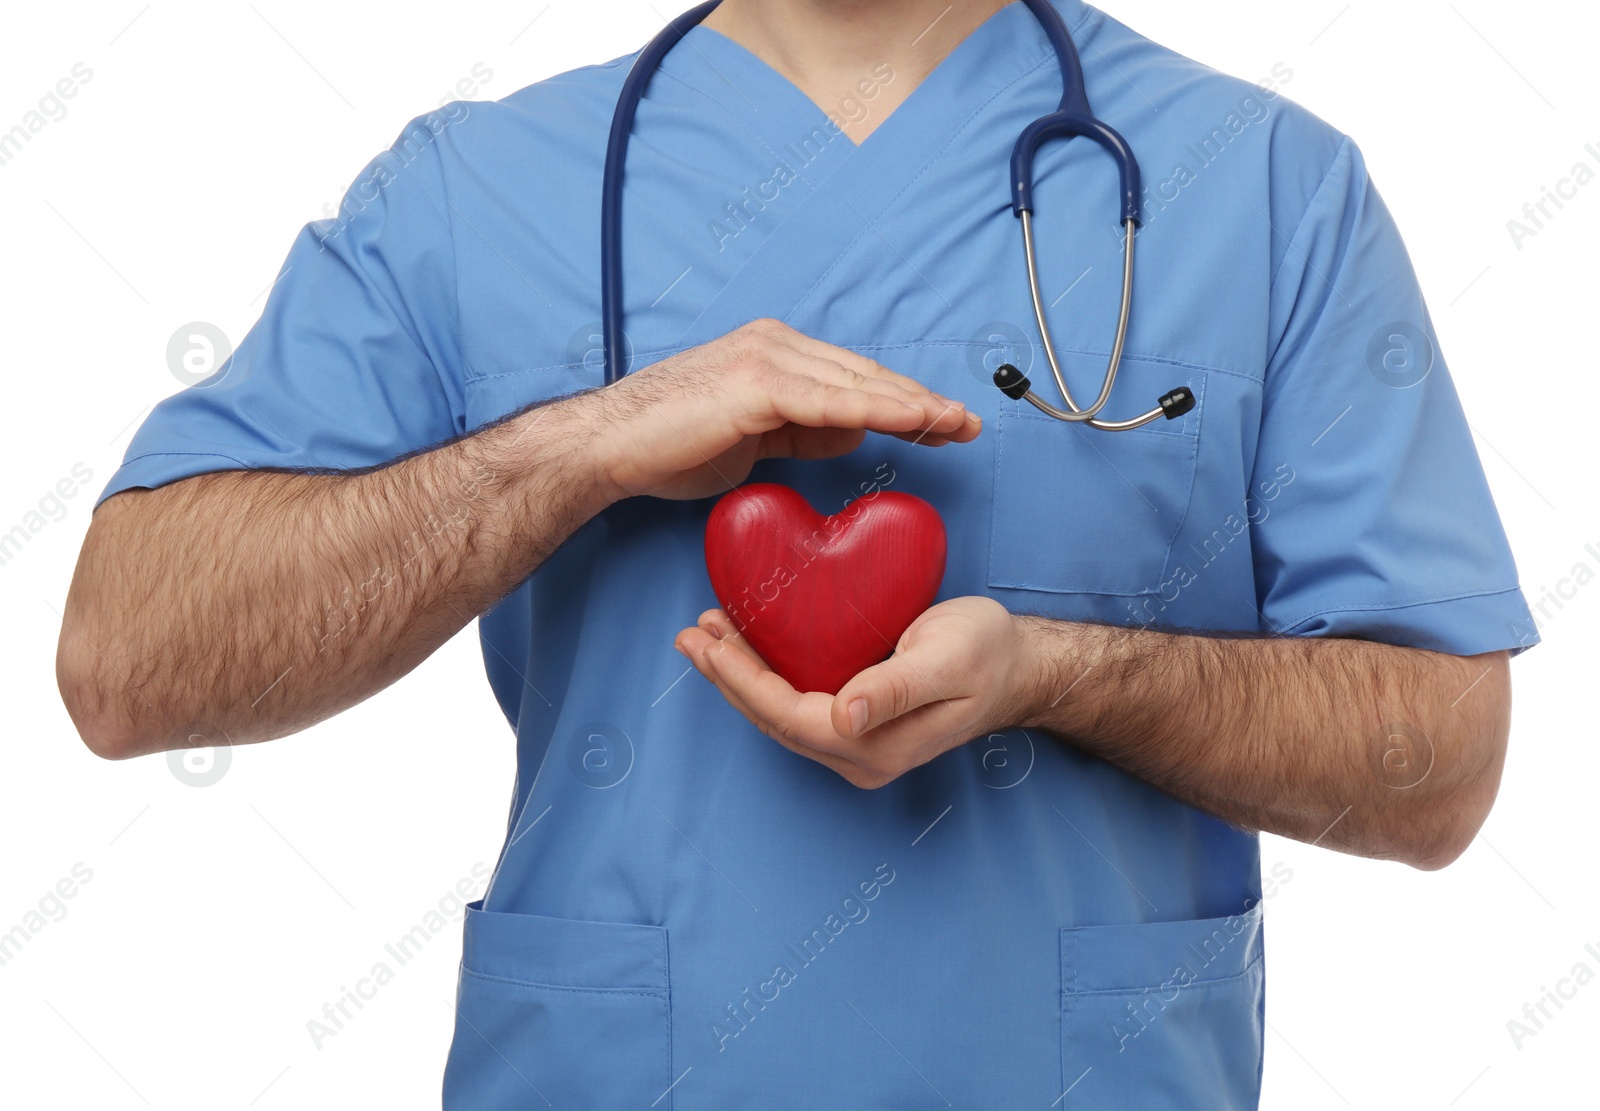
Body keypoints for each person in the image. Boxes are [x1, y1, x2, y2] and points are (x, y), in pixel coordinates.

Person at [56, 0, 1537, 1106]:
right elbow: (127, 666)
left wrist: (1054, 674)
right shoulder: (476, 191)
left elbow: (1442, 762)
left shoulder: (1268, 190)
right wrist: (582, 442)